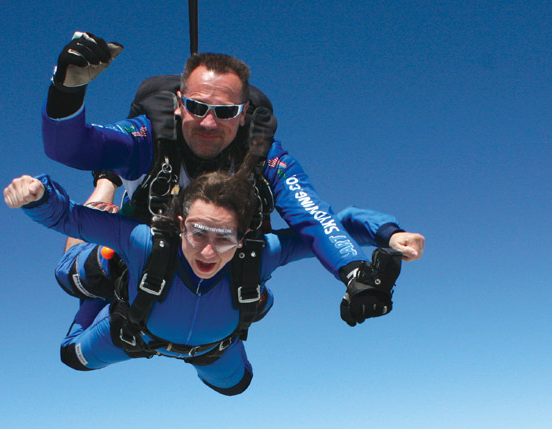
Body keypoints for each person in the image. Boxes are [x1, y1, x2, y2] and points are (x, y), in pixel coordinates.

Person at [42, 32, 425, 327]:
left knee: (252, 301)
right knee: (77, 277)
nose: (209, 123)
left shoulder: (265, 158)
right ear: (178, 105)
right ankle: (107, 184)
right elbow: (71, 148)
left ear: (244, 115)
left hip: (213, 263)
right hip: (136, 246)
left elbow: (314, 217)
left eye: (225, 112)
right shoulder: (149, 138)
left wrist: (354, 271)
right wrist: (68, 88)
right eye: (196, 107)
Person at [3, 148, 403, 395]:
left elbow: (338, 225)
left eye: (225, 238)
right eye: (197, 233)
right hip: (131, 333)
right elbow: (68, 219)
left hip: (213, 351)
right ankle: (106, 198)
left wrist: (392, 235)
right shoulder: (146, 240)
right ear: (179, 225)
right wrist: (36, 195)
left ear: (244, 236)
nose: (209, 250)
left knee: (238, 386)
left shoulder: (259, 254)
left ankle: (107, 266)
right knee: (72, 342)